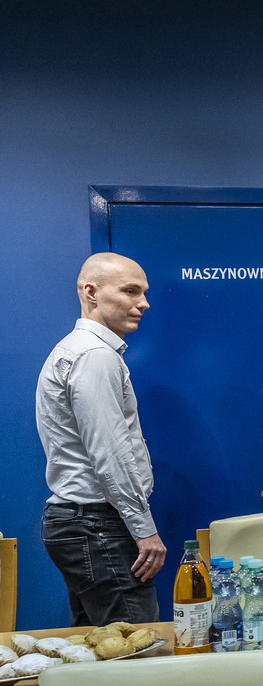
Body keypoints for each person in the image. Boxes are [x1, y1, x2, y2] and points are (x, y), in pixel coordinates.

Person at [36, 252, 164, 625]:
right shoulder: (94, 355)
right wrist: (144, 530)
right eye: (131, 291)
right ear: (91, 292)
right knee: (136, 646)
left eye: (144, 292)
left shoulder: (77, 350)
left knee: (101, 646)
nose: (144, 303)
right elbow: (110, 453)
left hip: (86, 523)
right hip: (96, 524)